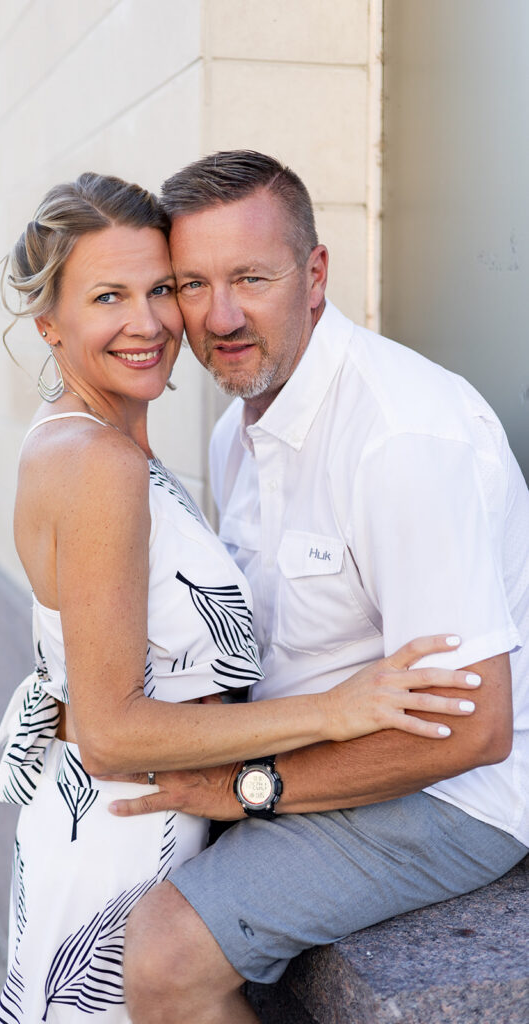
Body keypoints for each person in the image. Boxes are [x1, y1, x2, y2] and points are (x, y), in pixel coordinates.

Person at [0, 172, 478, 1024]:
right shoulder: (98, 462)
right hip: (121, 834)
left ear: (313, 275)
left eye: (158, 289)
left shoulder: (131, 444)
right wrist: (337, 710)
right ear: (50, 326)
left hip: (154, 817)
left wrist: (247, 781)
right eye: (109, 296)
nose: (152, 322)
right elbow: (109, 732)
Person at [109, 151, 529, 1024]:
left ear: (315, 274)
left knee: (162, 954)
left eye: (250, 278)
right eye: (192, 283)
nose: (219, 315)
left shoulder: (401, 437)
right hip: (317, 754)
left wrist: (244, 788)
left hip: (452, 794)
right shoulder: (238, 428)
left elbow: (473, 730)